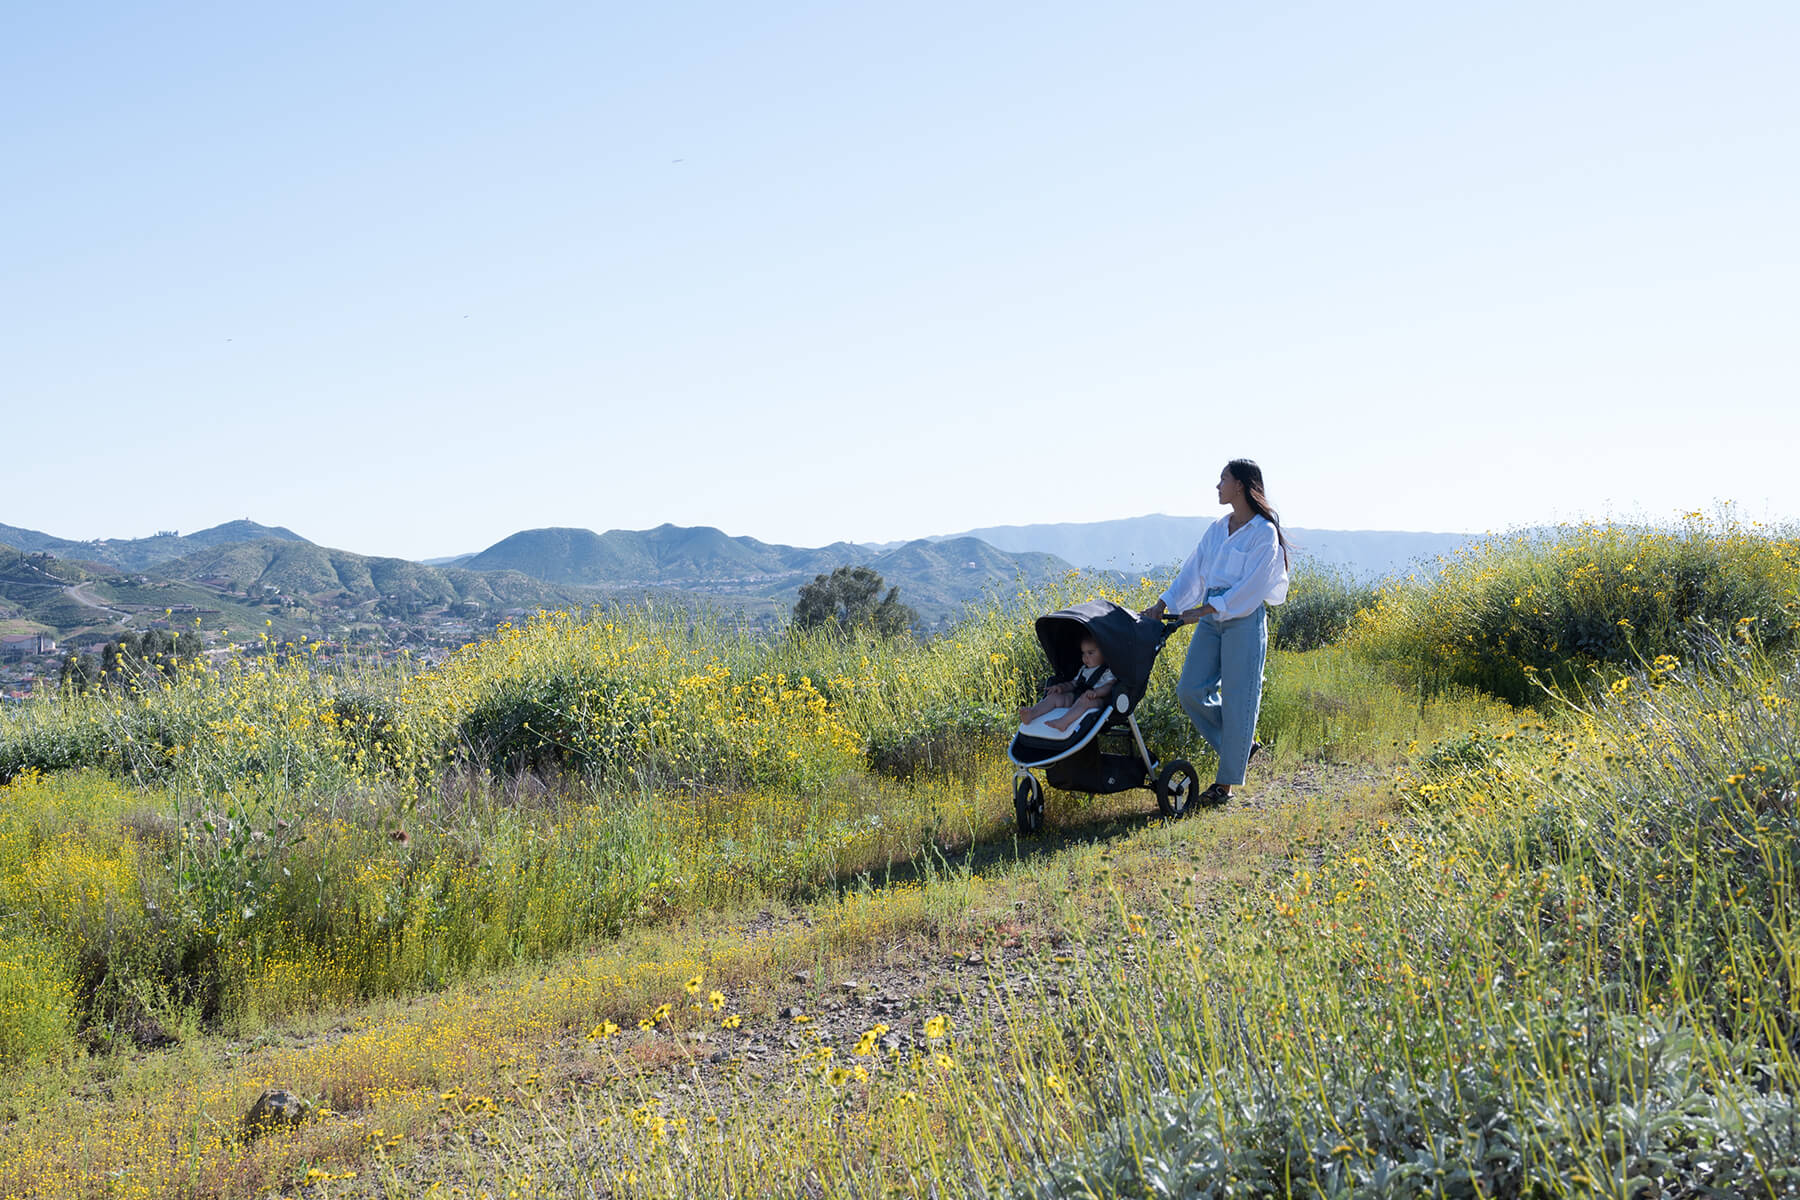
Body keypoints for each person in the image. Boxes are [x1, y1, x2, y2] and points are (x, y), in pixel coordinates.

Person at [1140, 459, 1290, 804]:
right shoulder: (1217, 528)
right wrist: (1163, 604)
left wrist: (1205, 610)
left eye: (1223, 479)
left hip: (1243, 619)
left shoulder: (1264, 533)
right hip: (1209, 617)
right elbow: (1193, 571)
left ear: (1240, 485)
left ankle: (1224, 786)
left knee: (1240, 699)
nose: (1217, 486)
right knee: (1190, 689)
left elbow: (1252, 587)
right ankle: (1242, 745)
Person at [1017, 634, 1115, 733]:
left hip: (1096, 700)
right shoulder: (1084, 669)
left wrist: (1096, 693)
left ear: (1104, 652)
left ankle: (1063, 722)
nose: (1086, 657)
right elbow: (1073, 684)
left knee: (1085, 701)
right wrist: (1061, 687)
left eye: (1090, 653)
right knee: (1054, 697)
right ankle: (1032, 713)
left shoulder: (1108, 671)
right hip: (1077, 696)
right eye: (1083, 653)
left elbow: (1109, 686)